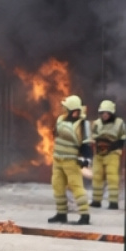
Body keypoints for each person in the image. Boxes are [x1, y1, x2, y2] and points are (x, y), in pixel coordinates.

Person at [49, 94, 91, 225]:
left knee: (76, 186)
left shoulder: (83, 124)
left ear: (73, 110)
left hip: (71, 161)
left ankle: (84, 215)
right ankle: (61, 214)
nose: (63, 110)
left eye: (66, 108)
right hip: (58, 160)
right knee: (57, 186)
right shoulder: (60, 119)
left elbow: (86, 144)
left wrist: (86, 159)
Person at [90, 99, 126, 209]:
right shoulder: (96, 123)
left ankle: (113, 202)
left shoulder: (119, 123)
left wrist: (115, 145)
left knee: (112, 177)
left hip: (113, 154)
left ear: (112, 113)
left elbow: (123, 138)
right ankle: (96, 201)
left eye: (107, 113)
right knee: (97, 177)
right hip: (99, 154)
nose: (105, 115)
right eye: (103, 113)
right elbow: (93, 137)